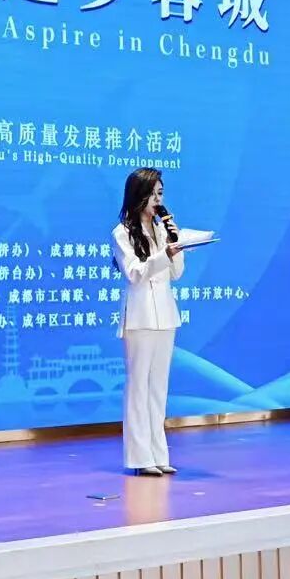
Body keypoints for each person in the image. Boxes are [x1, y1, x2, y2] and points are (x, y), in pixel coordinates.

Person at [112, 167, 183, 477]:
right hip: (139, 318)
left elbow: (176, 273)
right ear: (139, 195)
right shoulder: (122, 233)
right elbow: (135, 273)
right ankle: (140, 457)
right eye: (153, 194)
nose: (158, 200)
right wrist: (163, 255)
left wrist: (176, 246)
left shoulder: (162, 230)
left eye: (161, 193)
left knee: (158, 387)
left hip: (165, 316)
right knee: (138, 386)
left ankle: (159, 454)